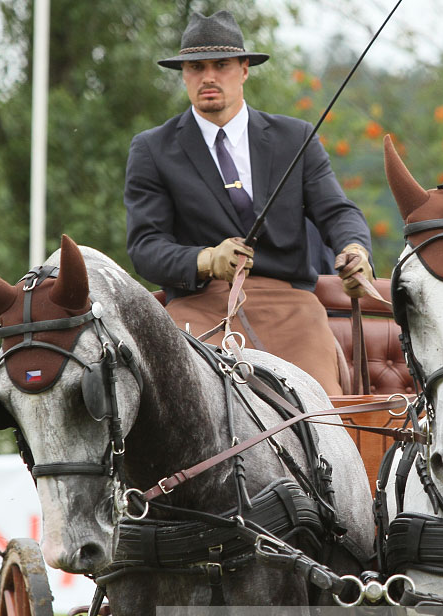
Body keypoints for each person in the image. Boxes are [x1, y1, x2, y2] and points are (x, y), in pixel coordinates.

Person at [125, 10, 373, 395]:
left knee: (321, 413)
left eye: (221, 65)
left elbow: (336, 211)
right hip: (198, 306)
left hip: (290, 306)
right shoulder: (152, 149)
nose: (208, 76)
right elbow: (145, 248)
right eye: (196, 67)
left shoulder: (297, 138)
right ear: (184, 74)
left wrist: (355, 250)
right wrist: (206, 260)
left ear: (243, 70)